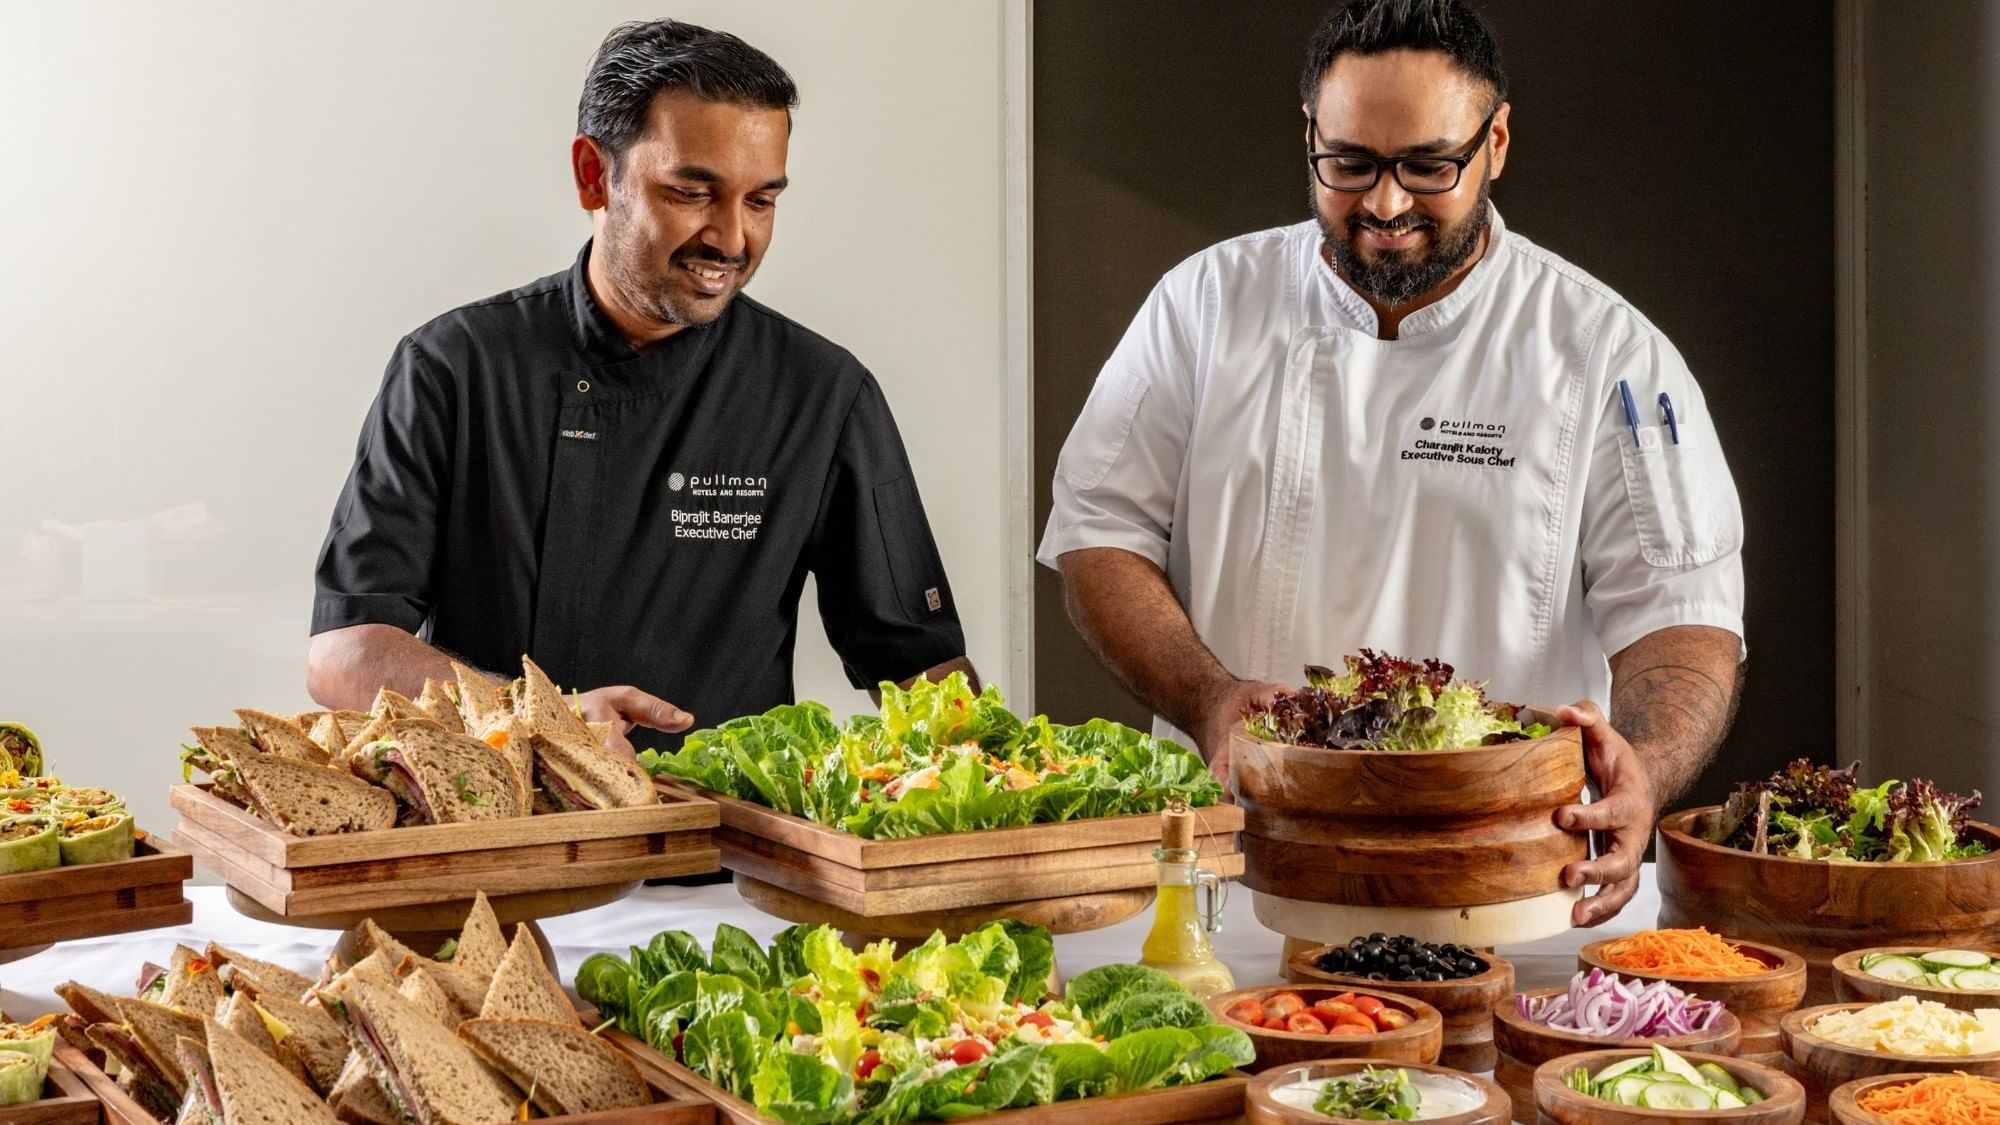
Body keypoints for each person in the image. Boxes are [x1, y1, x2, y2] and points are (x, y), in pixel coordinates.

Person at [1037, 0, 1745, 926]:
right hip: (1234, 884)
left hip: (1505, 892)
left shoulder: (1605, 350)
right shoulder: (1204, 306)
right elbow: (1099, 537)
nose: (1384, 203)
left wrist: (1643, 769)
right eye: (1350, 164)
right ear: (1310, 137)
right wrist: (1209, 698)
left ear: (1495, 141)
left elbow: (1683, 613)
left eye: (1427, 165)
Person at [308, 19, 975, 756]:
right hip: (494, 848)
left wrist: (1001, 793)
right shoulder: (454, 368)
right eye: (693, 191)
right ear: (595, 175)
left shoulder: (823, 396)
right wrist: (543, 720)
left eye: (761, 202)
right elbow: (346, 651)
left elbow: (923, 672)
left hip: (724, 859)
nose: (731, 238)